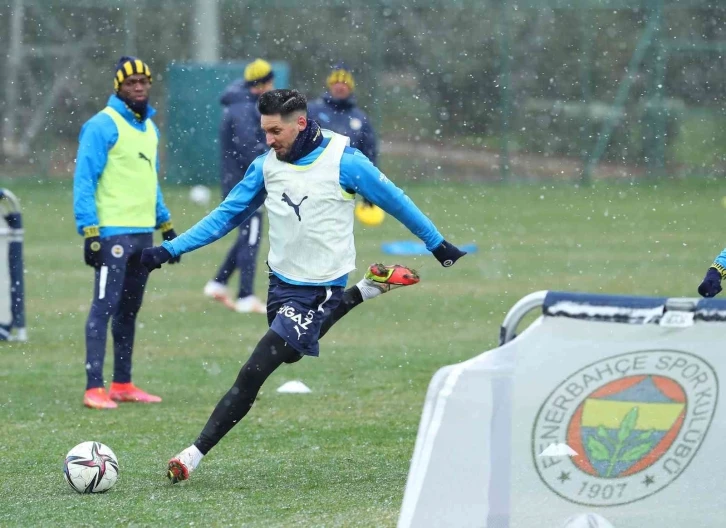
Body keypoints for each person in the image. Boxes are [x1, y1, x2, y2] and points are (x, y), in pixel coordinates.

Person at [138, 89, 467, 483]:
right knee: (291, 354)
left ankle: (193, 454)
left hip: (321, 289)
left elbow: (396, 201)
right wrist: (169, 249)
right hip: (280, 283)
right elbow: (225, 216)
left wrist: (437, 243)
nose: (268, 140)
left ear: (300, 123)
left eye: (275, 131)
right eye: (264, 131)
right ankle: (367, 289)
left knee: (255, 370)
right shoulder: (265, 167)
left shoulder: (345, 161)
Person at [73, 56, 180, 410]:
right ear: (118, 87)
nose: (138, 87)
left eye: (143, 82)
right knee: (104, 306)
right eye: (131, 82)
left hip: (142, 234)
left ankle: (122, 383)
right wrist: (89, 231)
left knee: (130, 310)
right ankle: (94, 388)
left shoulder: (150, 128)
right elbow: (84, 180)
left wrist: (165, 223)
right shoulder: (101, 125)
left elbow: (150, 182)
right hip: (112, 235)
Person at [203, 59, 275, 314]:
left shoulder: (239, 104)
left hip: (236, 182)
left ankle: (218, 283)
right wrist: (274, 155)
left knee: (247, 234)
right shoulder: (244, 108)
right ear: (263, 83)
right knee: (252, 235)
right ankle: (246, 295)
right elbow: (249, 149)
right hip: (245, 184)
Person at [308, 63, 385, 226]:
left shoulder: (360, 118)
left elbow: (369, 154)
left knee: (337, 229)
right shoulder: (313, 111)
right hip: (313, 181)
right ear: (330, 85)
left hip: (344, 185)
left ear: (350, 87)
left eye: (344, 83)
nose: (340, 86)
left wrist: (369, 191)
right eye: (336, 82)